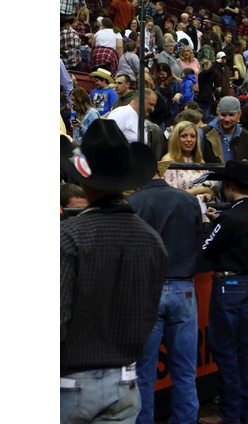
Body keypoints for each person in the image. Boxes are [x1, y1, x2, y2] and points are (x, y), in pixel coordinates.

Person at [60, 120, 166, 423]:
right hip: (124, 380)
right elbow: (148, 315)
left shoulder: (68, 237)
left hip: (69, 382)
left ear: (83, 178)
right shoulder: (151, 240)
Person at [128, 162, 204, 424]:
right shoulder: (187, 200)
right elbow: (199, 240)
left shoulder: (133, 203)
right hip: (183, 287)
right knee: (185, 370)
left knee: (144, 372)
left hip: (147, 289)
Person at [197, 161, 248, 424]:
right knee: (245, 349)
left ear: (229, 185)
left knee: (226, 351)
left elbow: (207, 250)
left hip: (228, 285)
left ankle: (229, 411)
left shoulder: (230, 217)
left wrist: (209, 221)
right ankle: (247, 409)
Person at [201, 96, 248, 190]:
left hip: (239, 193)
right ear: (217, 112)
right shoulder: (202, 134)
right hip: (209, 192)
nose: (227, 119)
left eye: (231, 115)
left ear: (239, 114)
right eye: (223, 115)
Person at [160, 120, 214, 201]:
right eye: (184, 136)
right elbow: (170, 194)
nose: (189, 140)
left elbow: (210, 191)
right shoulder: (168, 160)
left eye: (192, 136)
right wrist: (201, 190)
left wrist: (207, 195)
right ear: (176, 138)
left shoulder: (200, 161)